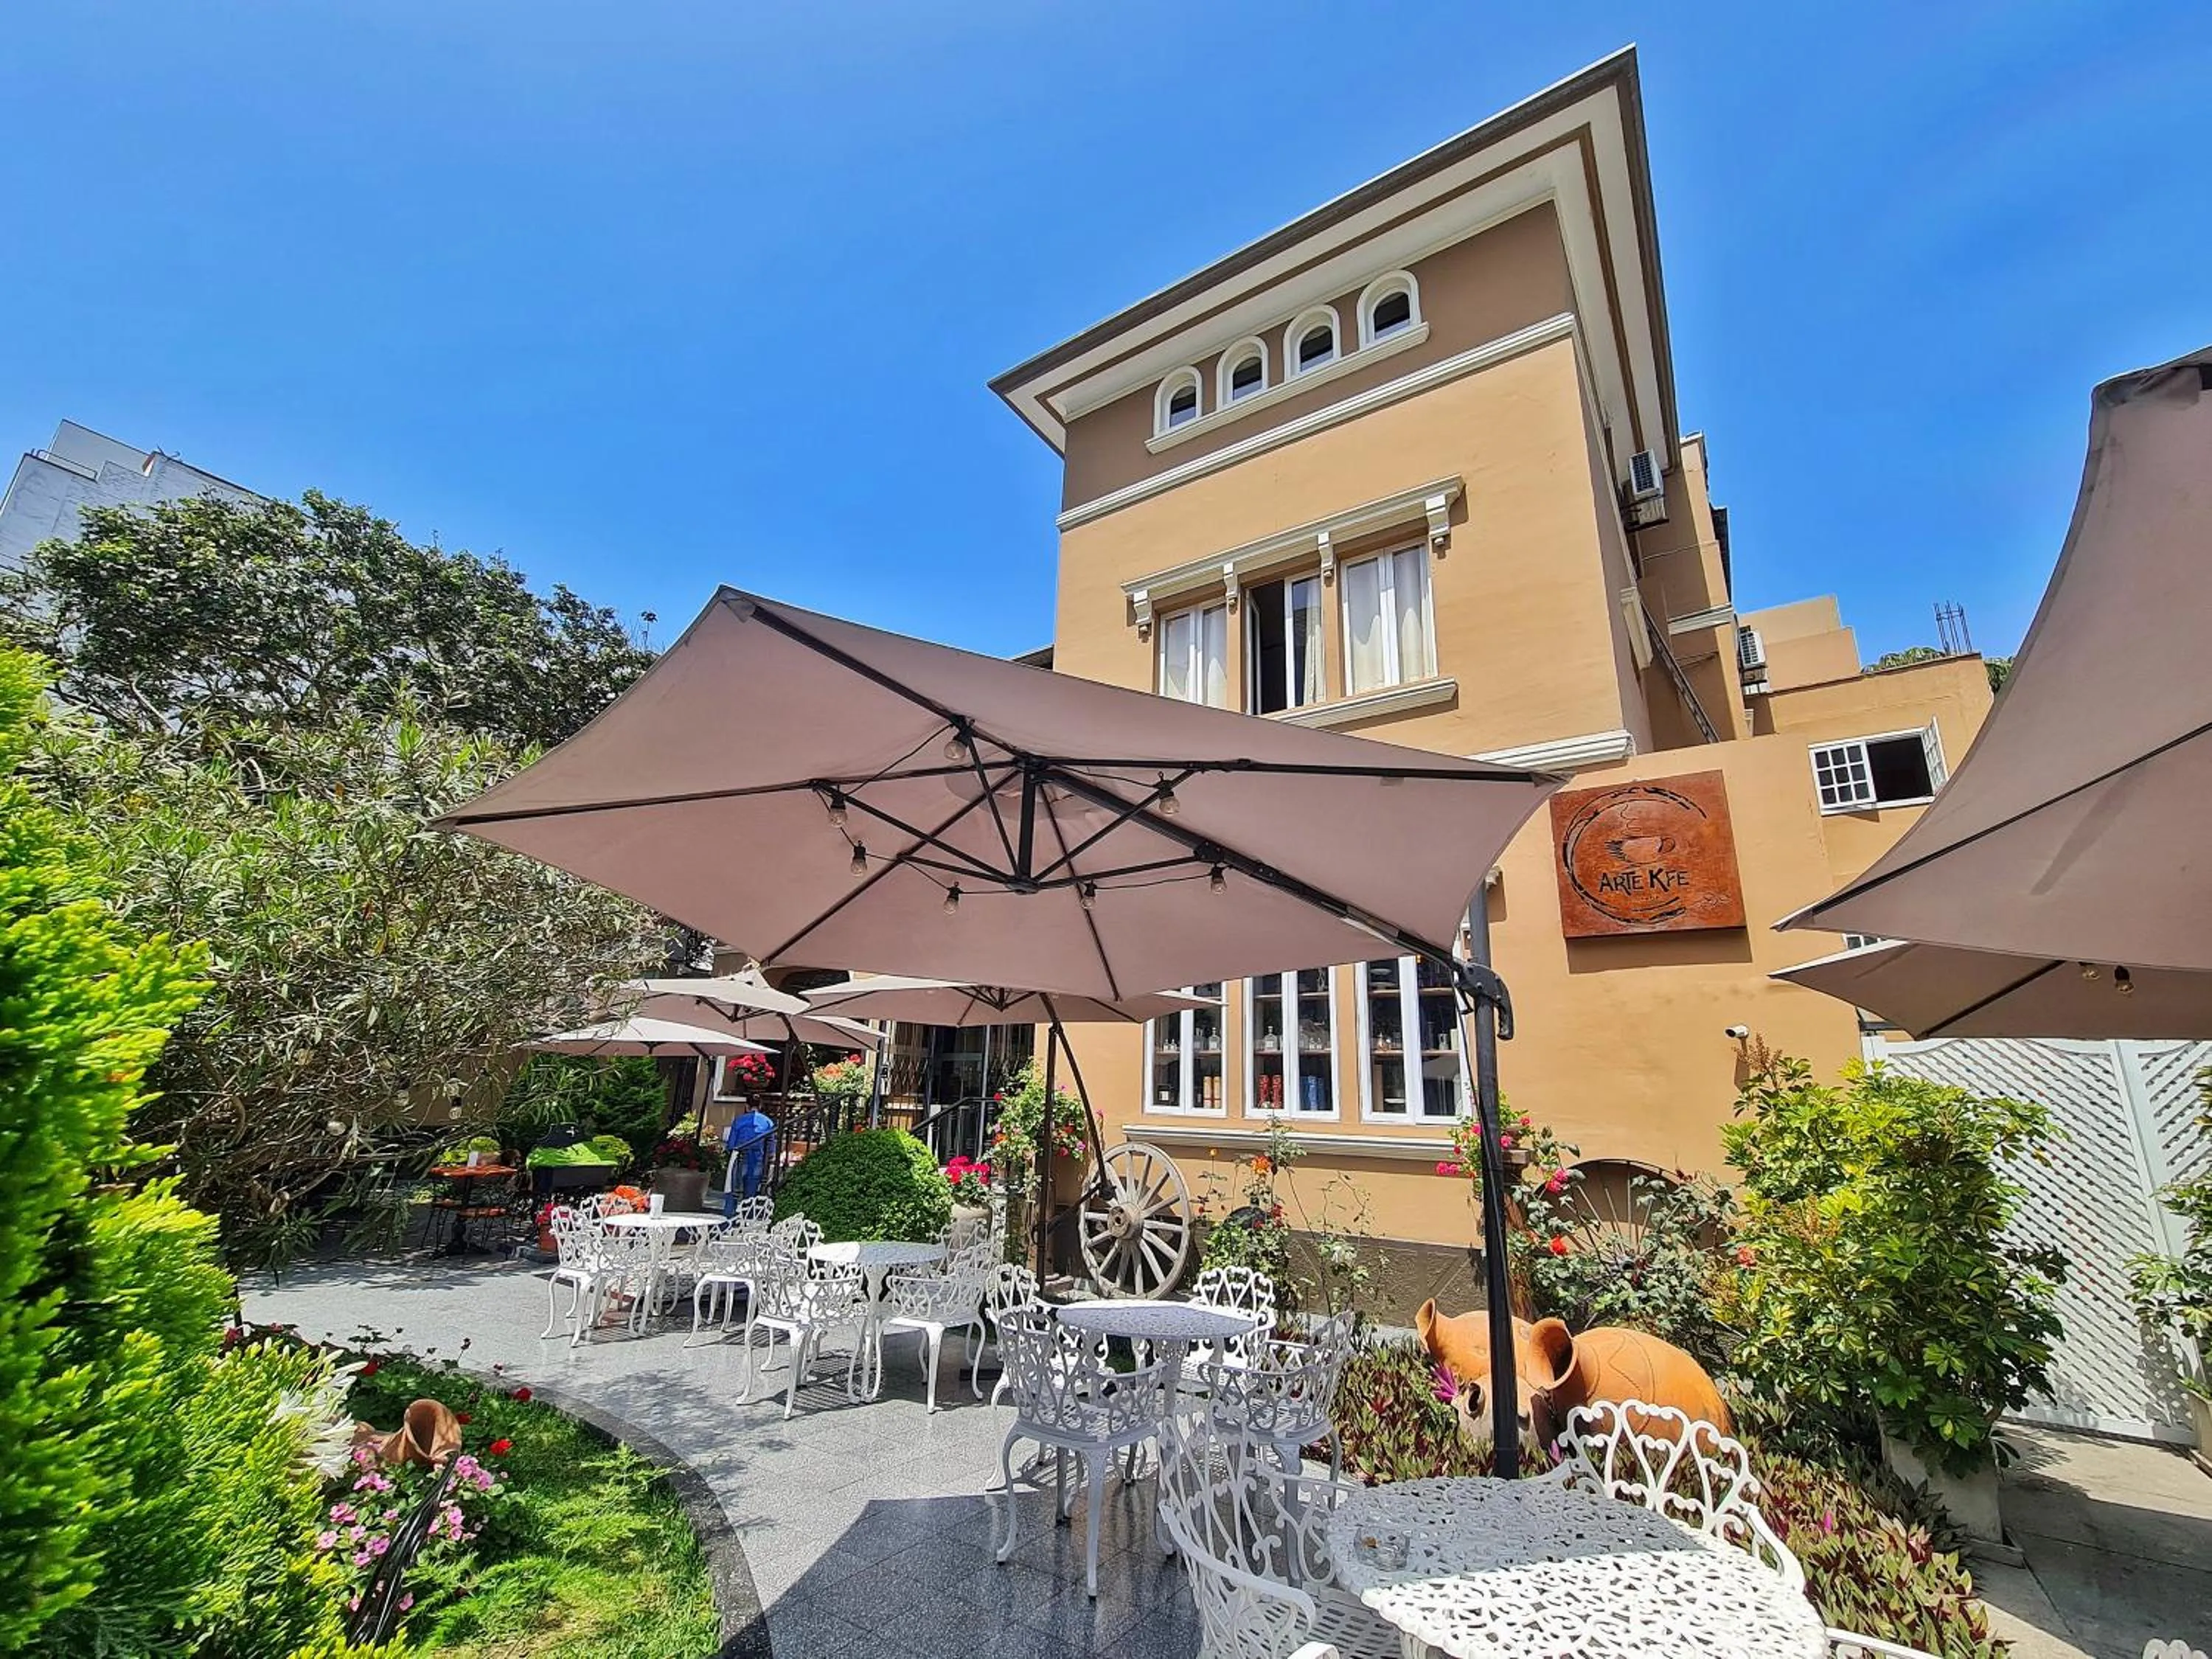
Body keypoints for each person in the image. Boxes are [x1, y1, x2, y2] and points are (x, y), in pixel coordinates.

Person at [723, 1104, 776, 1211]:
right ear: (760, 1107)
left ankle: (729, 1213)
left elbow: (731, 1144)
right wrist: (770, 1157)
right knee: (751, 1190)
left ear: (747, 1107)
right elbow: (771, 1147)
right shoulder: (767, 1122)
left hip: (740, 1155)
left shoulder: (739, 1120)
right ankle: (747, 1214)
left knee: (734, 1187)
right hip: (758, 1157)